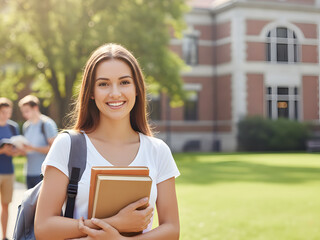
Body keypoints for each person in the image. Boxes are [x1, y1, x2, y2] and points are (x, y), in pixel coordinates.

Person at [34, 43, 180, 240]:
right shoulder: (67, 145)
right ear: (91, 92)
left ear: (137, 88)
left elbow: (171, 229)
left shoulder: (158, 151)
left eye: (124, 82)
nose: (115, 93)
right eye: (103, 84)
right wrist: (115, 223)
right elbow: (43, 227)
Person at [18, 95, 58, 189]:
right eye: (23, 112)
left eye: (27, 111)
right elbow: (28, 149)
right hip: (29, 172)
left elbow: (54, 150)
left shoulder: (47, 124)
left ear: (35, 108)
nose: (24, 115)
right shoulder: (26, 126)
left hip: (43, 173)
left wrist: (33, 148)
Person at [0, 97, 20, 240]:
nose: (6, 115)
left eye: (8, 112)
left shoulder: (13, 127)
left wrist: (13, 151)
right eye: (3, 112)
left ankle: (5, 236)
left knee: (6, 206)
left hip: (9, 172)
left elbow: (18, 149)